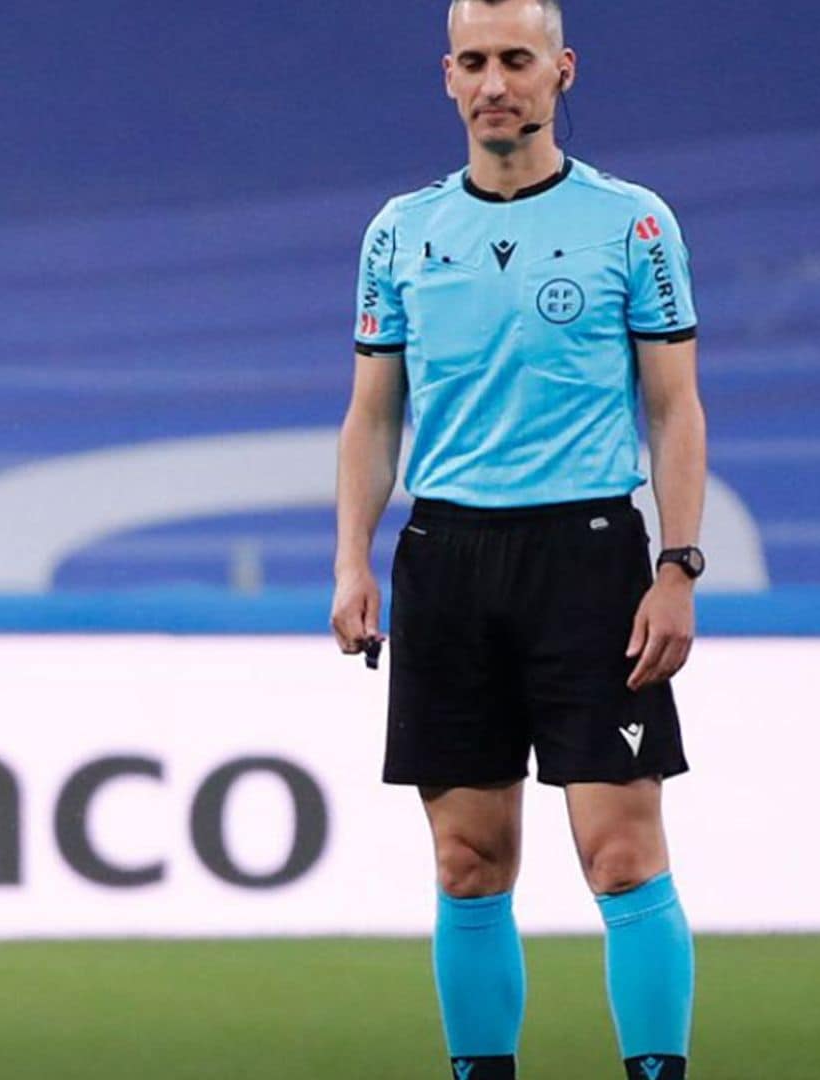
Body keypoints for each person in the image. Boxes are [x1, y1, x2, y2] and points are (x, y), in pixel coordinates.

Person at [331, 1, 705, 1077]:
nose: (497, 82)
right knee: (465, 865)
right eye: (476, 62)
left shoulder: (633, 222)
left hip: (590, 559)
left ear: (561, 71)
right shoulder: (400, 232)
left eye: (518, 61)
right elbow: (372, 412)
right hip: (445, 562)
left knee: (623, 857)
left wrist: (676, 565)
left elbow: (674, 405)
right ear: (447, 76)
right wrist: (354, 559)